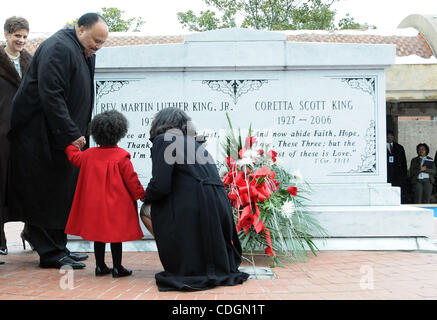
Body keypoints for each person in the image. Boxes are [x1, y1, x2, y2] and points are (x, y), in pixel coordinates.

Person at [6, 13, 109, 269]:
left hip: (61, 135)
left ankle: (58, 247)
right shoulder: (59, 48)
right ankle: (50, 252)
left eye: (101, 42)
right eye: (95, 40)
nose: (97, 46)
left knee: (62, 193)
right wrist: (70, 133)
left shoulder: (81, 49)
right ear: (80, 28)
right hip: (41, 135)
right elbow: (51, 94)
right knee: (46, 193)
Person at [142, 107, 249, 291]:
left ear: (162, 123)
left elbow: (160, 185)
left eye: (153, 121)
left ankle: (181, 259)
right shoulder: (194, 143)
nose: (151, 125)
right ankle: (196, 257)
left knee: (146, 210)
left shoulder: (163, 140)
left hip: (197, 203)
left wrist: (144, 195)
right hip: (216, 204)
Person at [64, 110, 145, 277]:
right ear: (119, 133)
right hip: (117, 204)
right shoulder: (122, 156)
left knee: (98, 236)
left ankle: (100, 267)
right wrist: (141, 195)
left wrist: (73, 145)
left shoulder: (88, 155)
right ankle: (117, 268)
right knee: (116, 237)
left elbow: (74, 157)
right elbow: (132, 179)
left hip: (94, 204)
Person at [0, 17, 32, 261]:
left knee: (28, 184)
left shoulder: (30, 62)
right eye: (17, 35)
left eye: (24, 36)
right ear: (6, 35)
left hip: (25, 134)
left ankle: (31, 233)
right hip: (1, 134)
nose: (21, 40)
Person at [386, 130, 407, 203]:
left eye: (391, 137)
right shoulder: (381, 147)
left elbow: (404, 162)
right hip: (387, 173)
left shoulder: (399, 147)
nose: (389, 138)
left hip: (397, 173)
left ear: (393, 137)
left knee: (398, 189)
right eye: (388, 137)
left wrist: (404, 174)